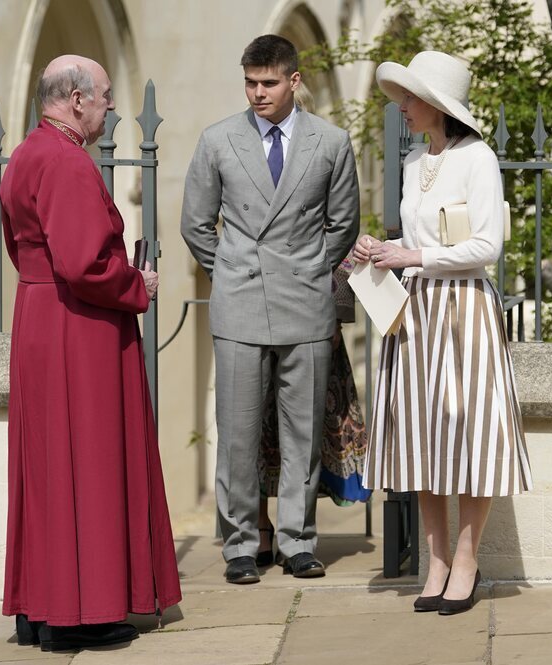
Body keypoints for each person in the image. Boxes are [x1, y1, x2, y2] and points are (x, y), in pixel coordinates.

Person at [0, 54, 181, 651]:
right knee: (89, 463)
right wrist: (136, 284)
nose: (111, 107)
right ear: (76, 99)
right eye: (104, 96)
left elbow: (26, 249)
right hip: (79, 327)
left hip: (38, 317)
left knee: (47, 465)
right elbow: (82, 264)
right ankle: (84, 613)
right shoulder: (67, 161)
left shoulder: (25, 154)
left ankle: (40, 607)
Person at [354, 51, 533, 616]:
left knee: (469, 434)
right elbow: (412, 245)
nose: (402, 107)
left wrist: (415, 254)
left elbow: (487, 247)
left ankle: (465, 559)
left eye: (410, 98)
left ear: (437, 104)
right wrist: (379, 253)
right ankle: (433, 563)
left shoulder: (477, 158)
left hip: (465, 312)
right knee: (421, 435)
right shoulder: (412, 164)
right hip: (417, 312)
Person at [181, 35, 360, 584]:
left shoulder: (331, 142)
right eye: (250, 83)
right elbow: (195, 224)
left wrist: (305, 270)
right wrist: (234, 270)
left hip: (306, 303)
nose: (258, 93)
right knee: (236, 432)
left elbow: (343, 224)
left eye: (268, 83)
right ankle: (239, 545)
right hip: (238, 304)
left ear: (293, 81)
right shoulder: (217, 141)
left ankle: (298, 541)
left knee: (303, 429)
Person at [256, 258, 372, 565]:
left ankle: (295, 534)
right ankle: (259, 527)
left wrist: (334, 315)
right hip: (253, 308)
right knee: (252, 430)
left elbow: (342, 247)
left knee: (306, 435)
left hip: (311, 317)